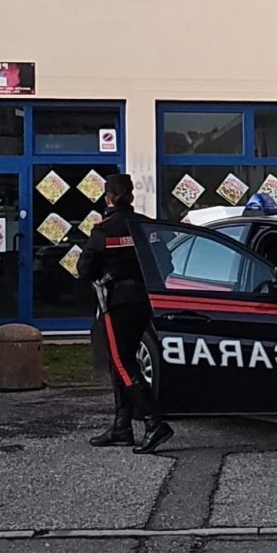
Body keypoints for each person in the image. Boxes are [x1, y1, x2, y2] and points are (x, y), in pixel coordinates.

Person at [78, 174, 174, 454]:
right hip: (142, 301)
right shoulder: (144, 227)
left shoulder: (103, 230)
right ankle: (122, 427)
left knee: (121, 363)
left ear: (108, 198)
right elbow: (165, 263)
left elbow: (85, 270)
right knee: (123, 360)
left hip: (116, 303)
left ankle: (154, 422)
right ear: (132, 197)